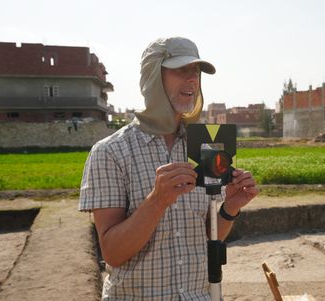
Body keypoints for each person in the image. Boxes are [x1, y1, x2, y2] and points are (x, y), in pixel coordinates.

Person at [79, 36, 259, 300]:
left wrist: (230, 207)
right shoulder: (110, 152)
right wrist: (157, 200)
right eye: (180, 70)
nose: (192, 79)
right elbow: (112, 253)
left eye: (196, 72)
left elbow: (208, 236)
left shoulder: (206, 145)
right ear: (153, 76)